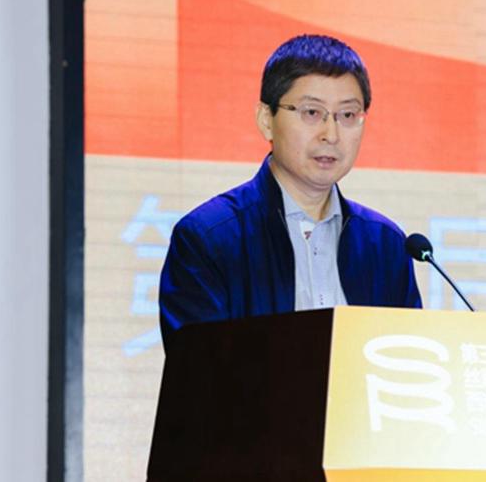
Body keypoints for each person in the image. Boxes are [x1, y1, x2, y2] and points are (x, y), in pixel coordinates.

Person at [159, 35, 422, 349]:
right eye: (311, 112)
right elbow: (200, 370)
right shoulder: (208, 240)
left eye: (348, 115)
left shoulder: (386, 245)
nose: (331, 134)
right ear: (266, 120)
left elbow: (410, 363)